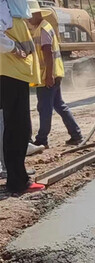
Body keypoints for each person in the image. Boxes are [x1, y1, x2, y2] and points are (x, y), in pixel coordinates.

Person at [27, 0, 83, 148]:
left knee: (44, 107)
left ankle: (42, 139)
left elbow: (48, 53)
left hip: (49, 75)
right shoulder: (42, 27)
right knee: (59, 104)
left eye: (30, 15)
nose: (28, 18)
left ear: (38, 14)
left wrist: (48, 75)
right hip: (53, 73)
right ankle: (76, 134)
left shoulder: (43, 29)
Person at [0, 16, 44, 193]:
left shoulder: (9, 10)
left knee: (14, 129)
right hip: (12, 74)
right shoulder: (4, 7)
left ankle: (16, 178)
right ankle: (18, 181)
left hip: (13, 74)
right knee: (18, 129)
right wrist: (14, 49)